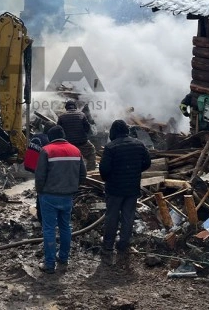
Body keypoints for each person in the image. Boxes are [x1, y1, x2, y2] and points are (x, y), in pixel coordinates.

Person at [34, 125, 87, 274]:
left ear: (50, 137)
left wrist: (40, 192)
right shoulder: (76, 150)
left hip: (49, 195)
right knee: (65, 227)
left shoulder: (46, 150)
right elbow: (83, 174)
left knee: (49, 228)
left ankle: (49, 264)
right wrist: (73, 186)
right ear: (64, 136)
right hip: (67, 196)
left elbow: (40, 176)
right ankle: (63, 257)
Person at [98, 119, 151, 265]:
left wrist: (108, 178)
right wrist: (135, 171)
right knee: (128, 216)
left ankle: (108, 246)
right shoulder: (139, 144)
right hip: (132, 188)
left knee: (112, 217)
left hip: (114, 189)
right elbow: (147, 163)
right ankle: (123, 244)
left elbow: (103, 169)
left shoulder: (110, 147)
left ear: (113, 132)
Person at [57, 100, 96, 170]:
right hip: (82, 143)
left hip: (68, 144)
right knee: (91, 151)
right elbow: (87, 128)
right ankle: (90, 170)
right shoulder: (81, 115)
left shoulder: (61, 117)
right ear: (75, 107)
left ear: (66, 108)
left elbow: (58, 131)